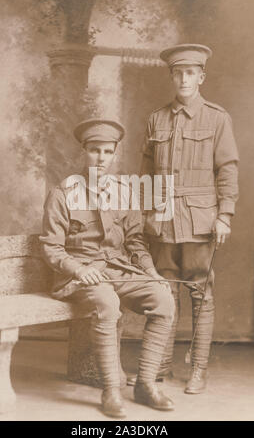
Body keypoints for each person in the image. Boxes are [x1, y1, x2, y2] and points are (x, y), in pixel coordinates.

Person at [39, 119, 175, 417]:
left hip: (116, 269)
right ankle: (111, 390)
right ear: (83, 151)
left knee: (164, 299)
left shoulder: (124, 192)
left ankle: (145, 384)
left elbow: (136, 242)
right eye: (94, 150)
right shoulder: (62, 193)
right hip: (79, 275)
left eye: (107, 151)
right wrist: (78, 269)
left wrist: (151, 273)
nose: (101, 158)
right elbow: (51, 247)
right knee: (107, 302)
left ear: (115, 153)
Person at [128, 44, 239, 394]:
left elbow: (227, 169)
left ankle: (199, 369)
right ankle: (158, 366)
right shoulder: (156, 119)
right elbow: (145, 172)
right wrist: (144, 214)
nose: (184, 78)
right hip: (161, 220)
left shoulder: (217, 117)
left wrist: (224, 215)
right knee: (164, 293)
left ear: (201, 76)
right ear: (171, 76)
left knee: (200, 296)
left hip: (199, 221)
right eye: (178, 73)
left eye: (190, 72)